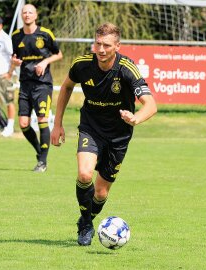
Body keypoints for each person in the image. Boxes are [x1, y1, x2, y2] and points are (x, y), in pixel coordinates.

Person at [51, 23, 157, 246]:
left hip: (119, 135)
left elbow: (151, 104)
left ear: (117, 46)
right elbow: (66, 87)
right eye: (97, 43)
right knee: (84, 175)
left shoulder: (127, 69)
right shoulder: (82, 65)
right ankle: (88, 226)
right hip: (91, 127)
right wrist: (57, 124)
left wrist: (136, 118)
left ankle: (85, 219)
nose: (100, 49)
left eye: (106, 45)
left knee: (100, 193)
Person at [11, 4, 63, 172]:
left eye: (30, 12)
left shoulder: (45, 34)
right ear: (21, 15)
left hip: (42, 84)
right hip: (25, 83)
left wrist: (45, 61)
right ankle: (40, 152)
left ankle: (42, 161)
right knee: (23, 123)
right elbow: (14, 58)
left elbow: (59, 54)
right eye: (24, 12)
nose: (27, 15)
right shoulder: (16, 36)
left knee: (42, 119)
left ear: (36, 15)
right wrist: (14, 63)